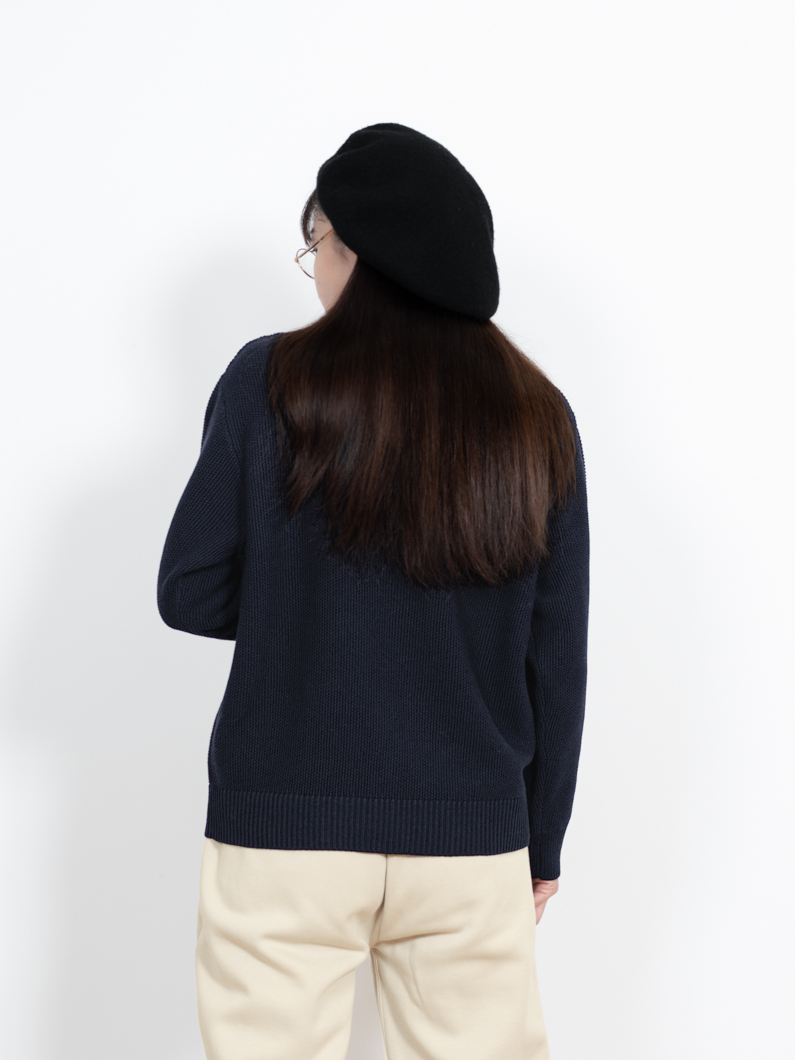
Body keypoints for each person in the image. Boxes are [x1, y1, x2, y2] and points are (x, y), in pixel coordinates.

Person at [157, 122, 590, 1060]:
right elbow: (554, 655)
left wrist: (306, 599)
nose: (312, 265)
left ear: (358, 251)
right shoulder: (535, 414)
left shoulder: (265, 380)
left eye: (316, 242)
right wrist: (541, 838)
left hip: (284, 825)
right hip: (472, 838)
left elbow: (188, 589)